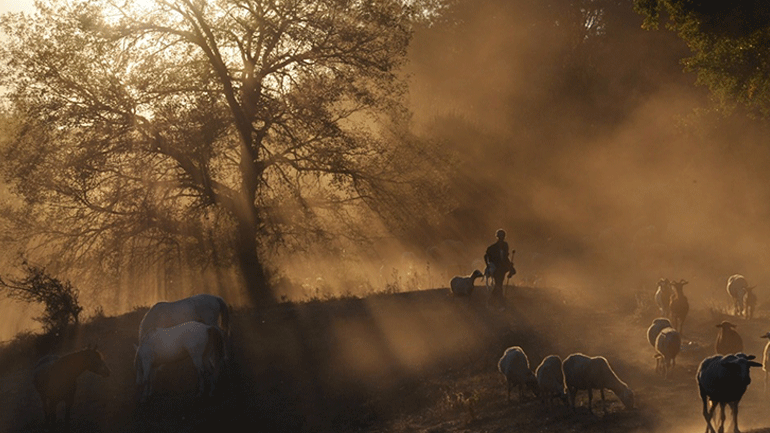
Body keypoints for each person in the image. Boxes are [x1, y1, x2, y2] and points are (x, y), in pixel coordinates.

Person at [484, 229, 515, 309]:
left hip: (502, 268)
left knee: (499, 284)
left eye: (503, 237)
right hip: (496, 269)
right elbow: (486, 256)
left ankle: (491, 301)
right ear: (497, 237)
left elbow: (505, 258)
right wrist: (488, 265)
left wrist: (510, 267)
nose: (501, 239)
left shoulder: (505, 246)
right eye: (500, 237)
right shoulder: (492, 248)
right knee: (499, 284)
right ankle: (501, 303)